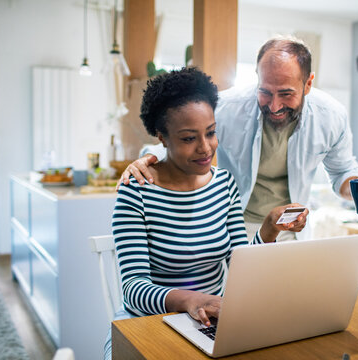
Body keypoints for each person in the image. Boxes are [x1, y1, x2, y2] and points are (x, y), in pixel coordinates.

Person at [104, 67, 307, 359]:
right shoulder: (137, 191)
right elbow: (133, 290)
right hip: (149, 324)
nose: (205, 148)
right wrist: (191, 300)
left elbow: (241, 265)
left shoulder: (223, 185)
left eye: (211, 132)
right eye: (188, 138)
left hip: (211, 321)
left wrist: (269, 228)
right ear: (161, 137)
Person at [118, 36, 358, 241]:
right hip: (234, 225)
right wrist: (147, 160)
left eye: (286, 94)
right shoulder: (227, 107)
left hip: (294, 230)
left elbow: (343, 171)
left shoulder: (331, 116)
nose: (275, 105)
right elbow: (185, 140)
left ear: (308, 84)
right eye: (265, 91)